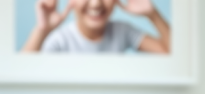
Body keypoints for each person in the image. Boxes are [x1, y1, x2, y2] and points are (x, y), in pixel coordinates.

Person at [21, 0, 170, 54]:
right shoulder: (60, 41)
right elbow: (20, 77)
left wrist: (153, 15)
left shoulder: (123, 32)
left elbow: (175, 55)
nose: (95, 3)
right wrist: (42, 30)